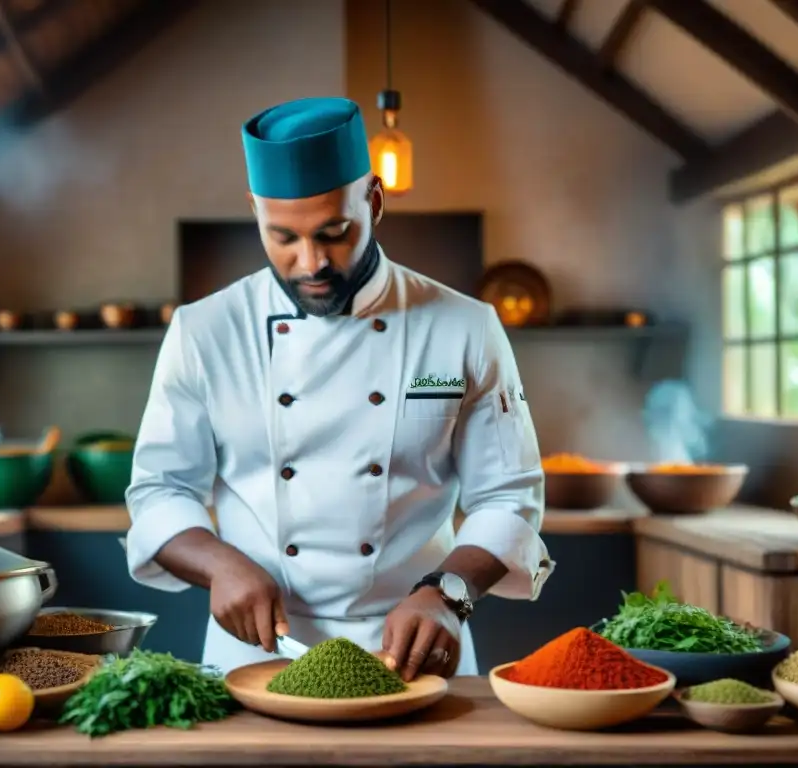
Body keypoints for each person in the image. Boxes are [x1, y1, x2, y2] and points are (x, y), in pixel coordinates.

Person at [126, 96, 553, 680]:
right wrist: (219, 564)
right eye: (283, 238)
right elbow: (157, 491)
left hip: (416, 646)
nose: (310, 263)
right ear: (254, 211)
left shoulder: (464, 328)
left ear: (374, 202)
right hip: (255, 655)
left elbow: (508, 496)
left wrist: (450, 594)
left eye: (334, 233)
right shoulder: (204, 332)